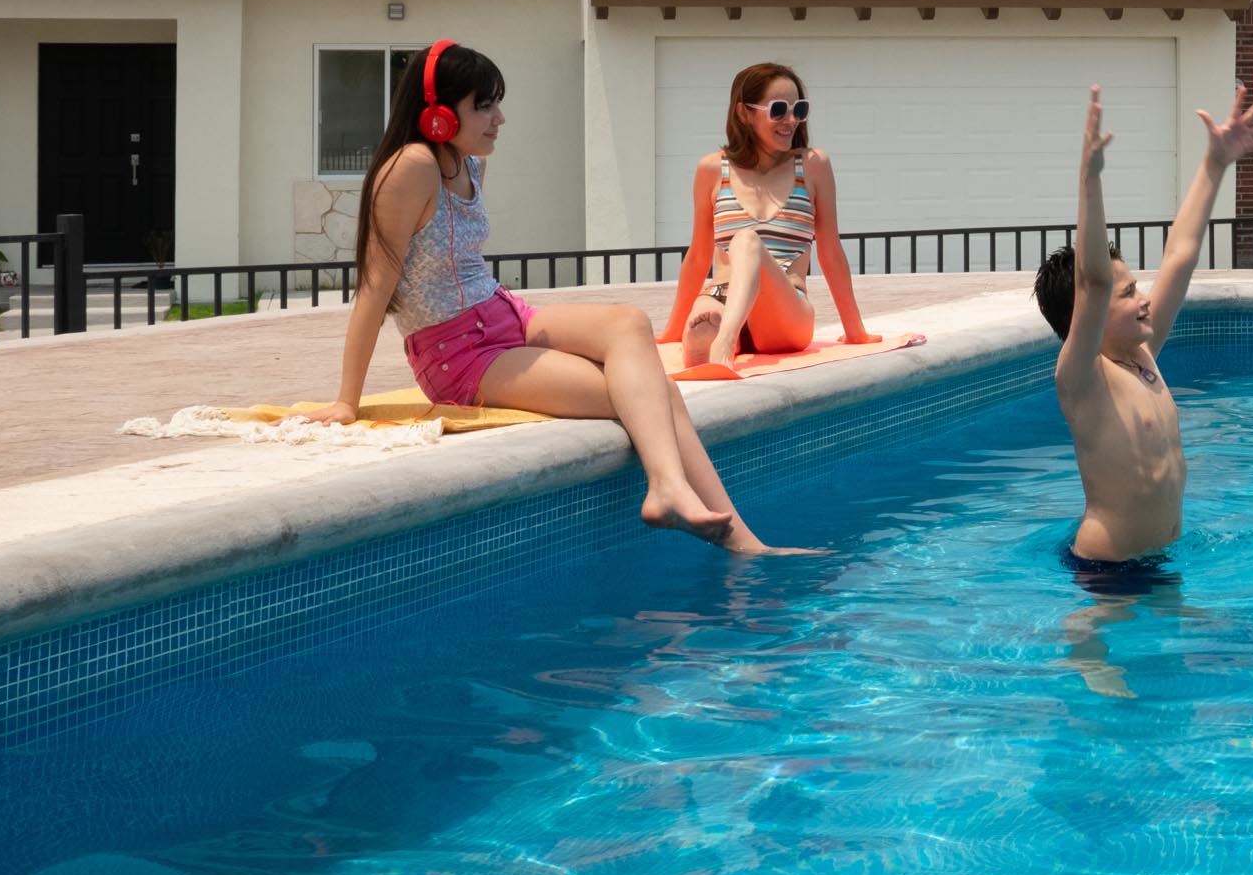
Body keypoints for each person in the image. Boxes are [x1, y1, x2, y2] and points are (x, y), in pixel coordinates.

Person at [293, 41, 797, 555]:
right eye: (483, 106)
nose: (499, 118)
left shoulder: (469, 162)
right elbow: (375, 287)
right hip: (458, 354)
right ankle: (722, 528)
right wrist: (347, 400)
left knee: (629, 322)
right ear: (438, 115)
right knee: (656, 396)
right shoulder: (411, 167)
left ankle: (699, 509)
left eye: (496, 103)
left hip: (503, 315)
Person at [1034, 86, 1253, 567]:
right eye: (1128, 294)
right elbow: (1095, 282)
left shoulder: (1142, 356)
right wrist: (1089, 180)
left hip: (1160, 560)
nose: (1143, 300)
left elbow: (1181, 255)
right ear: (1089, 315)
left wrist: (1215, 164)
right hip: (1107, 570)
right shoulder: (1083, 379)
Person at [663, 61, 879, 367]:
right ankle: (713, 338)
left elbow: (830, 252)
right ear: (744, 113)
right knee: (702, 326)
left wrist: (855, 331)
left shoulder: (813, 165)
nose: (791, 120)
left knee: (746, 242)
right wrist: (671, 332)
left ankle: (725, 342)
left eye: (799, 110)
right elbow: (698, 256)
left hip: (785, 309)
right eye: (779, 110)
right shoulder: (711, 169)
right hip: (721, 296)